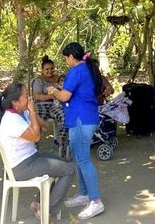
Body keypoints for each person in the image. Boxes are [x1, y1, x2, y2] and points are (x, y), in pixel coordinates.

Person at [0, 83, 74, 222]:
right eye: (26, 96)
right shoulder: (11, 120)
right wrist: (33, 112)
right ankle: (47, 211)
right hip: (22, 167)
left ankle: (38, 203)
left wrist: (38, 118)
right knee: (69, 170)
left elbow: (41, 124)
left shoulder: (20, 112)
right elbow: (36, 137)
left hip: (31, 156)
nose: (29, 98)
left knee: (60, 162)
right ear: (15, 102)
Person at [47, 43, 104, 220]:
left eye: (66, 58)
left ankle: (95, 201)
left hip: (81, 119)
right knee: (79, 159)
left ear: (72, 56)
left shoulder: (76, 71)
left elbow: (65, 96)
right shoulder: (88, 69)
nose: (66, 61)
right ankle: (84, 194)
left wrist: (53, 91)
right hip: (86, 117)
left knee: (84, 160)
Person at [31, 55, 68, 153]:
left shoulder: (58, 79)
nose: (50, 71)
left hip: (55, 105)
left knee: (64, 116)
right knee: (37, 118)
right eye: (47, 69)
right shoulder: (38, 80)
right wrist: (51, 96)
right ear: (42, 70)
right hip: (41, 105)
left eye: (52, 68)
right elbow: (37, 96)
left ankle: (61, 143)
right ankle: (34, 144)